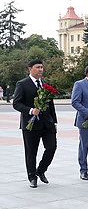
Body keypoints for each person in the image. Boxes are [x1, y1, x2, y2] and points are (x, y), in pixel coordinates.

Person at [13, 59, 57, 188]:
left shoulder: (45, 84)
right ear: (30, 69)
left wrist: (54, 121)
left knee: (51, 147)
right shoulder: (22, 84)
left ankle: (41, 170)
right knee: (31, 152)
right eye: (38, 67)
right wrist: (31, 110)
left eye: (42, 67)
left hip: (47, 124)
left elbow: (50, 105)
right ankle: (32, 176)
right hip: (30, 125)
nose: (40, 70)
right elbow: (16, 103)